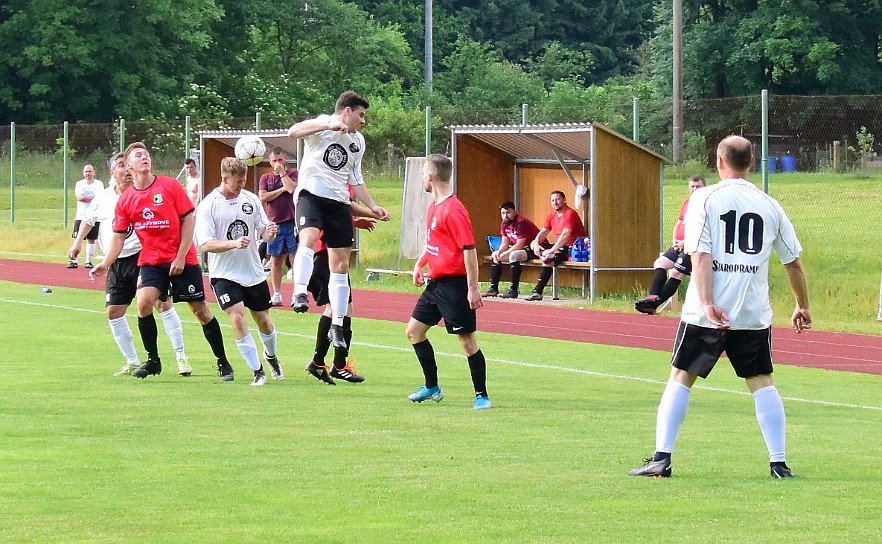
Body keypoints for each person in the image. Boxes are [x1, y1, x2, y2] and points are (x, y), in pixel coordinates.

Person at [629, 135, 811, 479]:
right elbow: (794, 262)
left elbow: (699, 253)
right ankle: (779, 463)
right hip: (752, 313)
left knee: (681, 376)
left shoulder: (704, 198)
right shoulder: (770, 205)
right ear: (752, 163)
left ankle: (662, 458)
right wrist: (803, 306)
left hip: (704, 312)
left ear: (719, 162)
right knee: (762, 381)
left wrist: (709, 302)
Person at [90, 142, 234, 381]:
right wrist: (106, 263)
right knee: (143, 304)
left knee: (200, 310)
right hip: (152, 259)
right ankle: (153, 361)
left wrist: (180, 256)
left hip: (182, 257)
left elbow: (189, 221)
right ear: (128, 165)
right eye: (138, 155)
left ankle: (223, 361)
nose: (145, 157)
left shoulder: (169, 185)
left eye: (146, 154)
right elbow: (117, 237)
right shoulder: (125, 200)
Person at [69, 153, 192, 377]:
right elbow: (88, 220)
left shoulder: (141, 193)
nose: (126, 170)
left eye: (128, 165)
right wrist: (78, 243)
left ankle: (180, 356)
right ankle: (133, 361)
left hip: (143, 257)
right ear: (112, 172)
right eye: (121, 165)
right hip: (116, 262)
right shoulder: (104, 197)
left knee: (162, 305)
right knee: (113, 312)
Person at [286, 90, 390, 352]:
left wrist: (373, 206)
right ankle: (298, 292)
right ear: (347, 111)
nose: (363, 120)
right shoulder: (323, 124)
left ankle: (338, 324)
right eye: (361, 114)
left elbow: (356, 178)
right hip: (312, 195)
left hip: (339, 203)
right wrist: (326, 124)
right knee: (308, 238)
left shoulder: (358, 141)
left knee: (341, 265)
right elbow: (293, 131)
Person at [406, 154, 490, 410]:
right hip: (436, 285)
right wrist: (420, 263)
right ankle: (432, 386)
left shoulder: (454, 210)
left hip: (455, 285)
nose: (423, 178)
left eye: (423, 174)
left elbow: (469, 250)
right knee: (414, 332)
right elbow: (433, 242)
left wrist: (472, 288)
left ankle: (481, 395)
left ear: (430, 176)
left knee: (467, 342)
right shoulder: (434, 206)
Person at [195, 157, 284, 386]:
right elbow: (205, 244)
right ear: (224, 178)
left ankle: (271, 356)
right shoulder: (209, 204)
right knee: (237, 318)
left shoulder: (251, 200)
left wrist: (270, 233)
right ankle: (258, 371)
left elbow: (263, 233)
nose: (242, 184)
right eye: (237, 181)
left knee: (263, 320)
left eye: (244, 179)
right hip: (224, 274)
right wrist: (233, 244)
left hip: (252, 271)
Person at [304, 203, 379, 385]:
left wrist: (353, 222)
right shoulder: (327, 185)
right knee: (338, 307)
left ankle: (322, 362)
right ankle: (336, 365)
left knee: (344, 307)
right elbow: (331, 213)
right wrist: (372, 211)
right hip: (326, 256)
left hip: (328, 256)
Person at [635, 175, 707, 315]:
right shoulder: (688, 202)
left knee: (676, 272)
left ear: (704, 187)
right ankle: (653, 296)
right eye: (692, 186)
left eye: (698, 186)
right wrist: (675, 239)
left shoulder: (705, 204)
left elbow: (703, 229)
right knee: (660, 262)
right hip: (679, 245)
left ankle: (653, 305)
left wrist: (684, 242)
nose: (694, 189)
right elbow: (679, 222)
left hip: (692, 246)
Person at [524, 190, 586, 301]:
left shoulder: (570, 214)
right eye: (552, 200)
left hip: (572, 248)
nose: (555, 202)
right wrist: (536, 242)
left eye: (557, 199)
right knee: (532, 246)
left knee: (548, 258)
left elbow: (565, 235)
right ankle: (541, 253)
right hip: (558, 247)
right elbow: (544, 231)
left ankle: (537, 291)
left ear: (564, 200)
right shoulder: (551, 215)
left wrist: (552, 250)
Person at [258, 147, 298, 306]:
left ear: (285, 159)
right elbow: (263, 196)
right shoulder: (265, 178)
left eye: (280, 160)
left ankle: (297, 293)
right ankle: (276, 294)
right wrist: (281, 190)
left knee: (294, 257)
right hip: (274, 222)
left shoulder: (293, 174)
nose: (277, 163)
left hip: (292, 221)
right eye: (274, 161)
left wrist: (282, 174)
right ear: (270, 161)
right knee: (275, 259)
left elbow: (292, 188)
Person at [482, 201, 540, 299]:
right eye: (503, 213)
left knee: (514, 255)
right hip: (521, 249)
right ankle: (493, 288)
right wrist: (499, 252)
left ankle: (513, 290)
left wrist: (505, 253)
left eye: (508, 212)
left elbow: (519, 245)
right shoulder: (504, 223)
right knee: (495, 255)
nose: (505, 216)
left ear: (514, 212)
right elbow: (505, 243)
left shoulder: (521, 222)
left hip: (534, 248)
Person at [68, 164, 104, 269]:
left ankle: (88, 261)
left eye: (90, 171)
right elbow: (80, 198)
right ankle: (74, 261)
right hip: (81, 216)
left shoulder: (99, 184)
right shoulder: (79, 184)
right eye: (86, 172)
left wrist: (87, 197)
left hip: (94, 216)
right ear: (83, 173)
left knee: (92, 239)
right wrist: (93, 197)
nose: (88, 174)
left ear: (94, 172)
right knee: (76, 237)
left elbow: (100, 198)